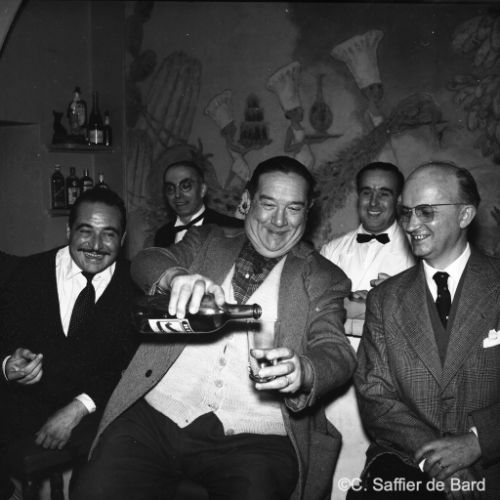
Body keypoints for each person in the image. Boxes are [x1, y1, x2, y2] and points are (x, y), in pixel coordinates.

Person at [71, 156, 357, 500]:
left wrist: (306, 371)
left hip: (255, 441)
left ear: (307, 212)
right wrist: (174, 276)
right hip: (157, 418)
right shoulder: (208, 239)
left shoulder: (324, 277)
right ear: (247, 201)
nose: (279, 221)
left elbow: (336, 351)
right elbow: (147, 260)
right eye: (268, 204)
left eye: (293, 208)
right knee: (92, 488)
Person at [351, 161, 500, 499]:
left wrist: (477, 441)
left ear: (465, 215)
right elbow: (375, 395)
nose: (411, 224)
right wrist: (439, 462)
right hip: (408, 466)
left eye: (426, 212)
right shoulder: (385, 299)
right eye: (406, 212)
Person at [0, 188, 139, 500]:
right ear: (68, 231)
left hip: (94, 409)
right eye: (85, 231)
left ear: (122, 238)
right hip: (22, 403)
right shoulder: (28, 272)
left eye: (109, 234)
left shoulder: (134, 287)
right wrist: (8, 364)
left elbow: (129, 367)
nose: (96, 245)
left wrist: (78, 409)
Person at [320, 161, 414, 495]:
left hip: (388, 383)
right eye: (366, 192)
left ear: (399, 200)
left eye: (384, 193)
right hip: (335, 378)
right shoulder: (331, 251)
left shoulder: (419, 254)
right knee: (329, 469)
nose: (373, 202)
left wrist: (393, 296)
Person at [154, 160, 243, 247]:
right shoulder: (162, 235)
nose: (177, 195)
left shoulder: (235, 228)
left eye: (185, 186)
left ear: (202, 190)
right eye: (170, 189)